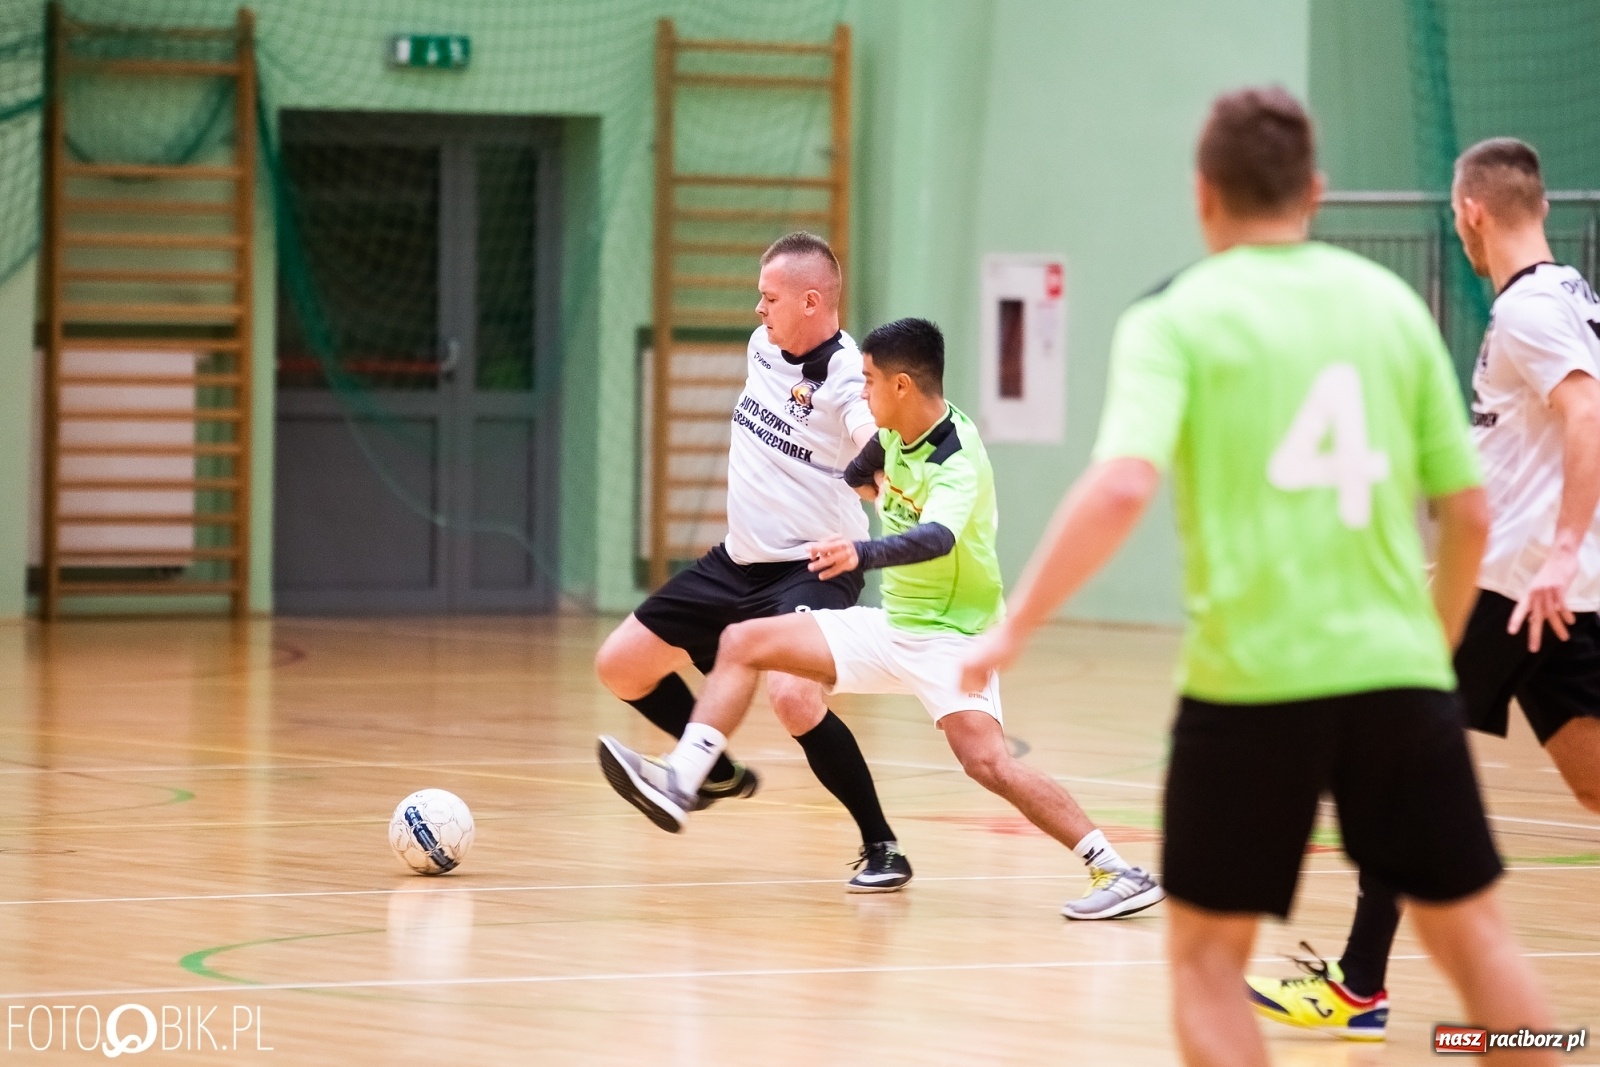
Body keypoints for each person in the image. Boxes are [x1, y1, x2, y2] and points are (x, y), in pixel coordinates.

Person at [959, 88, 1558, 1065]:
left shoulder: (1174, 315)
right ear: (1314, 192)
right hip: (1395, 677)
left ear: (1202, 195)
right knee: (1478, 945)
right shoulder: (1390, 308)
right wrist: (1433, 657)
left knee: (1202, 968)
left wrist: (1015, 624)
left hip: (1250, 686)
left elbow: (1119, 487)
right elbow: (1470, 512)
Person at [597, 317, 1163, 920]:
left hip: (953, 640)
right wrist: (868, 481)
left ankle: (1117, 869)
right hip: (894, 627)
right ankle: (684, 778)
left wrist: (859, 551)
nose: (860, 391)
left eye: (867, 381)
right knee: (744, 641)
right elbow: (855, 471)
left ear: (900, 385)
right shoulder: (897, 432)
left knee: (989, 764)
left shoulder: (956, 456)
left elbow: (938, 536)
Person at [1246, 137, 1600, 1042]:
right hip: (1538, 589)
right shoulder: (1571, 297)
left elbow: (1585, 411)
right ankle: (1361, 981)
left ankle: (1359, 985)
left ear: (1471, 213)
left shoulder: (1529, 311)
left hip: (1518, 584)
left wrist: (1559, 549)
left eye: (1456, 218)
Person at [593, 232, 911, 892]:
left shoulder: (848, 374)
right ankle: (713, 772)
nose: (758, 308)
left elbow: (870, 431)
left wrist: (874, 461)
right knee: (621, 664)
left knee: (794, 695)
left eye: (770, 297)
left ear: (811, 301)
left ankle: (882, 844)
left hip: (814, 567)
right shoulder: (763, 346)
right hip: (737, 563)